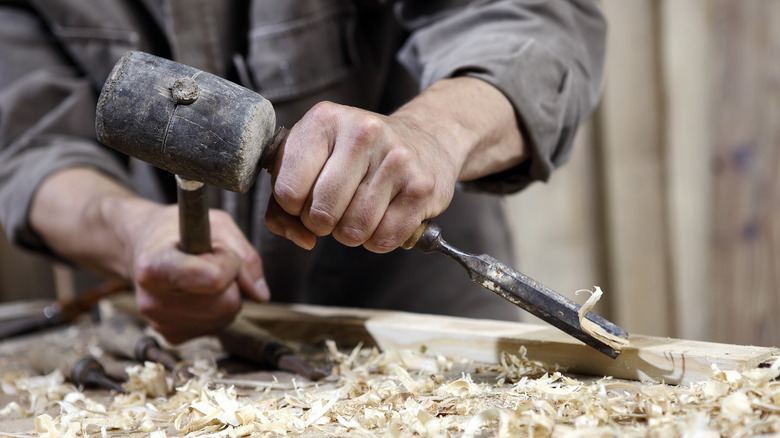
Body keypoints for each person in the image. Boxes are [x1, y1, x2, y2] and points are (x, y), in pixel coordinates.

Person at [0, 0, 606, 344]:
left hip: (418, 334)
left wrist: (435, 132)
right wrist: (131, 232)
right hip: (180, 360)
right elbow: (28, 141)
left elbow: (530, 20)